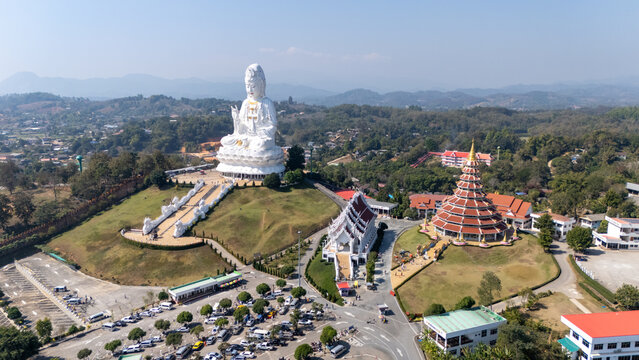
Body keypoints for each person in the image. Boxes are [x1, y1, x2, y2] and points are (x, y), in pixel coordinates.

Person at [220, 64, 277, 152]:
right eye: (247, 86)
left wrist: (261, 132)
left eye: (253, 86)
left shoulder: (267, 103)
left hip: (259, 138)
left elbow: (272, 126)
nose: (250, 90)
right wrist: (237, 120)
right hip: (245, 137)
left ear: (261, 85)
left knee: (259, 145)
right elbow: (241, 129)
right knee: (225, 141)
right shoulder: (245, 103)